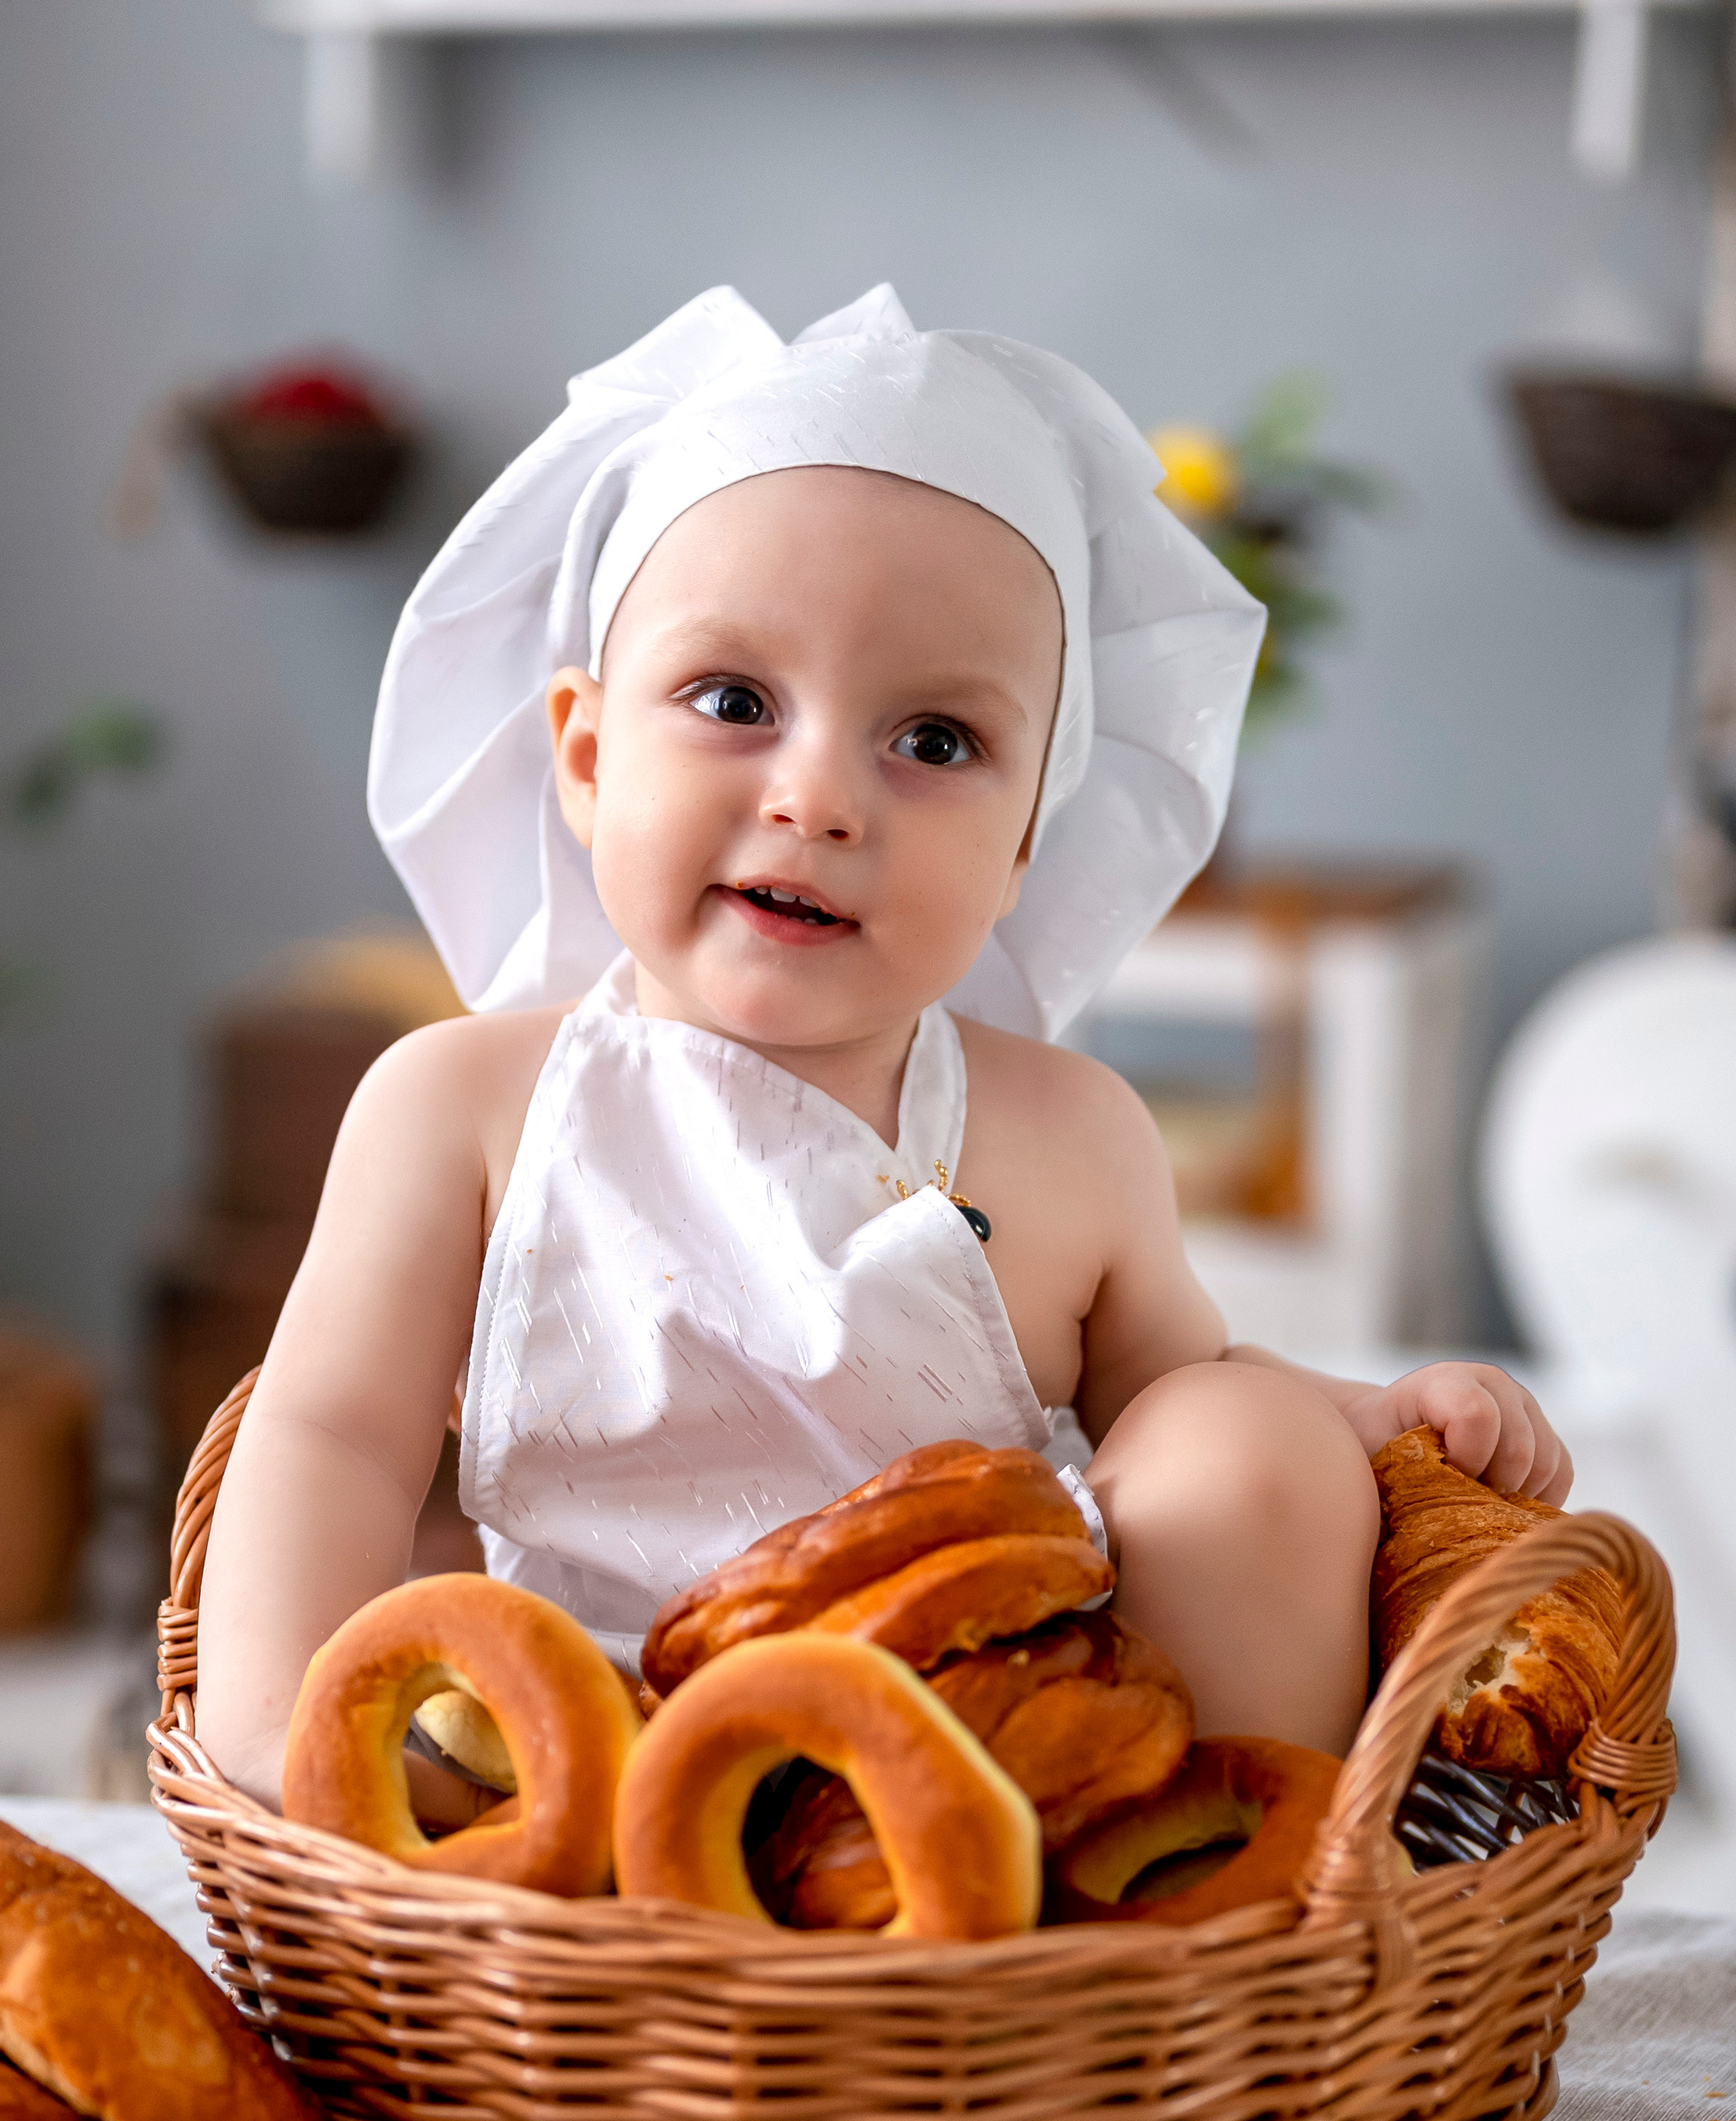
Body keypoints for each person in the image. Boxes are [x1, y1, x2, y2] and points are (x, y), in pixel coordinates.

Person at [194, 285, 1569, 1812]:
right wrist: (277, 1727)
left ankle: (1210, 1923)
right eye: (732, 701)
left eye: (932, 742)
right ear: (584, 759)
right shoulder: (460, 1107)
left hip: (993, 1773)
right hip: (582, 1760)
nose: (817, 797)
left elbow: (1178, 1400)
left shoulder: (1066, 1133)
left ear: (1024, 851)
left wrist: (1356, 1419)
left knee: (1246, 1447)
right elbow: (330, 1430)